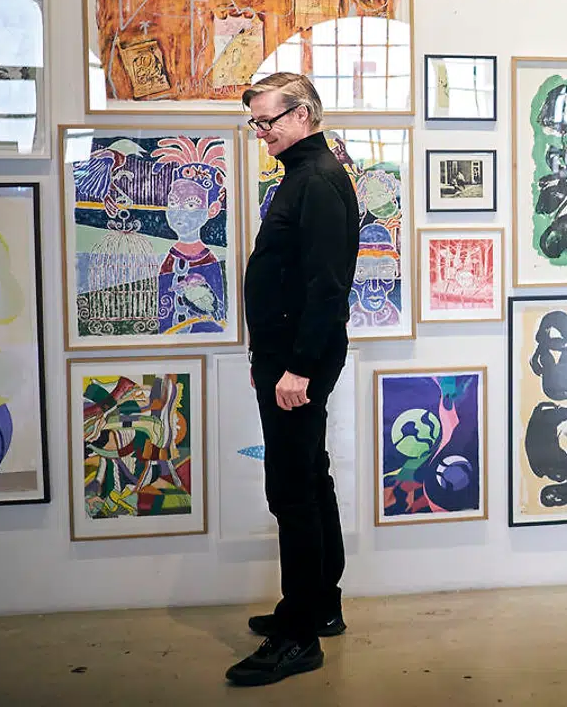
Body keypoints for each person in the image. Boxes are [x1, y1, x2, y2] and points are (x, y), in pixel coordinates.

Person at [227, 74, 360, 687]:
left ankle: (298, 637)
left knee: (292, 490)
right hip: (287, 359)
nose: (261, 132)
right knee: (308, 475)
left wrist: (299, 368)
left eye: (268, 120)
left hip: (296, 363)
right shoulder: (304, 176)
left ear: (303, 114)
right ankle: (318, 606)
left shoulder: (318, 181)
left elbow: (327, 287)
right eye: (255, 123)